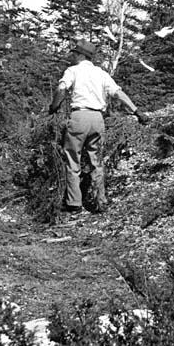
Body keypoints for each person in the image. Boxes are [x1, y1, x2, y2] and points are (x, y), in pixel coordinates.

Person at [48, 38, 148, 215]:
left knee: (73, 161)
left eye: (74, 53)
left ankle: (74, 204)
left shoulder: (72, 71)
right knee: (97, 162)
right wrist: (137, 111)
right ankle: (100, 201)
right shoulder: (101, 73)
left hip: (79, 117)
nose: (72, 56)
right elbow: (118, 94)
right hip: (98, 119)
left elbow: (61, 89)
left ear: (80, 55)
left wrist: (54, 107)